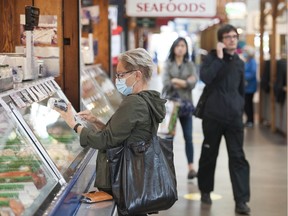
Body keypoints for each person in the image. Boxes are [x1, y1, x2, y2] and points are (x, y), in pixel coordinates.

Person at [55, 48, 166, 216]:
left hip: (124, 182)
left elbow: (105, 141)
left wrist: (73, 124)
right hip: (136, 180)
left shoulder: (134, 103)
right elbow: (127, 134)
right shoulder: (150, 99)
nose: (117, 79)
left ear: (137, 75)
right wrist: (96, 121)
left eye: (121, 75)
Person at [197, 24, 251, 215]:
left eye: (234, 36)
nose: (231, 39)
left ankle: (241, 201)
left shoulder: (240, 62)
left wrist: (240, 109)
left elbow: (241, 91)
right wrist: (219, 59)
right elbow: (205, 77)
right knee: (209, 155)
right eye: (227, 37)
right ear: (221, 40)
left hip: (234, 118)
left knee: (238, 158)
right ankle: (205, 190)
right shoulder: (211, 58)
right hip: (213, 116)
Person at [162, 37, 198, 180]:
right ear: (173, 48)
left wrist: (175, 80)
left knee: (188, 137)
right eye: (178, 45)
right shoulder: (168, 64)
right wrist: (184, 82)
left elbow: (193, 82)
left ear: (186, 49)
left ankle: (191, 167)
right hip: (171, 106)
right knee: (169, 137)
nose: (180, 48)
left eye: (183, 46)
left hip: (186, 106)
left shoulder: (189, 64)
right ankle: (167, 167)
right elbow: (166, 83)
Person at [242, 45, 257, 127]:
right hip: (246, 87)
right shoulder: (246, 61)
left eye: (245, 51)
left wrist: (244, 76)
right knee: (246, 104)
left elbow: (252, 73)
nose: (244, 53)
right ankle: (248, 120)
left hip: (250, 87)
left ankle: (250, 121)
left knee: (248, 104)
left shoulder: (252, 62)